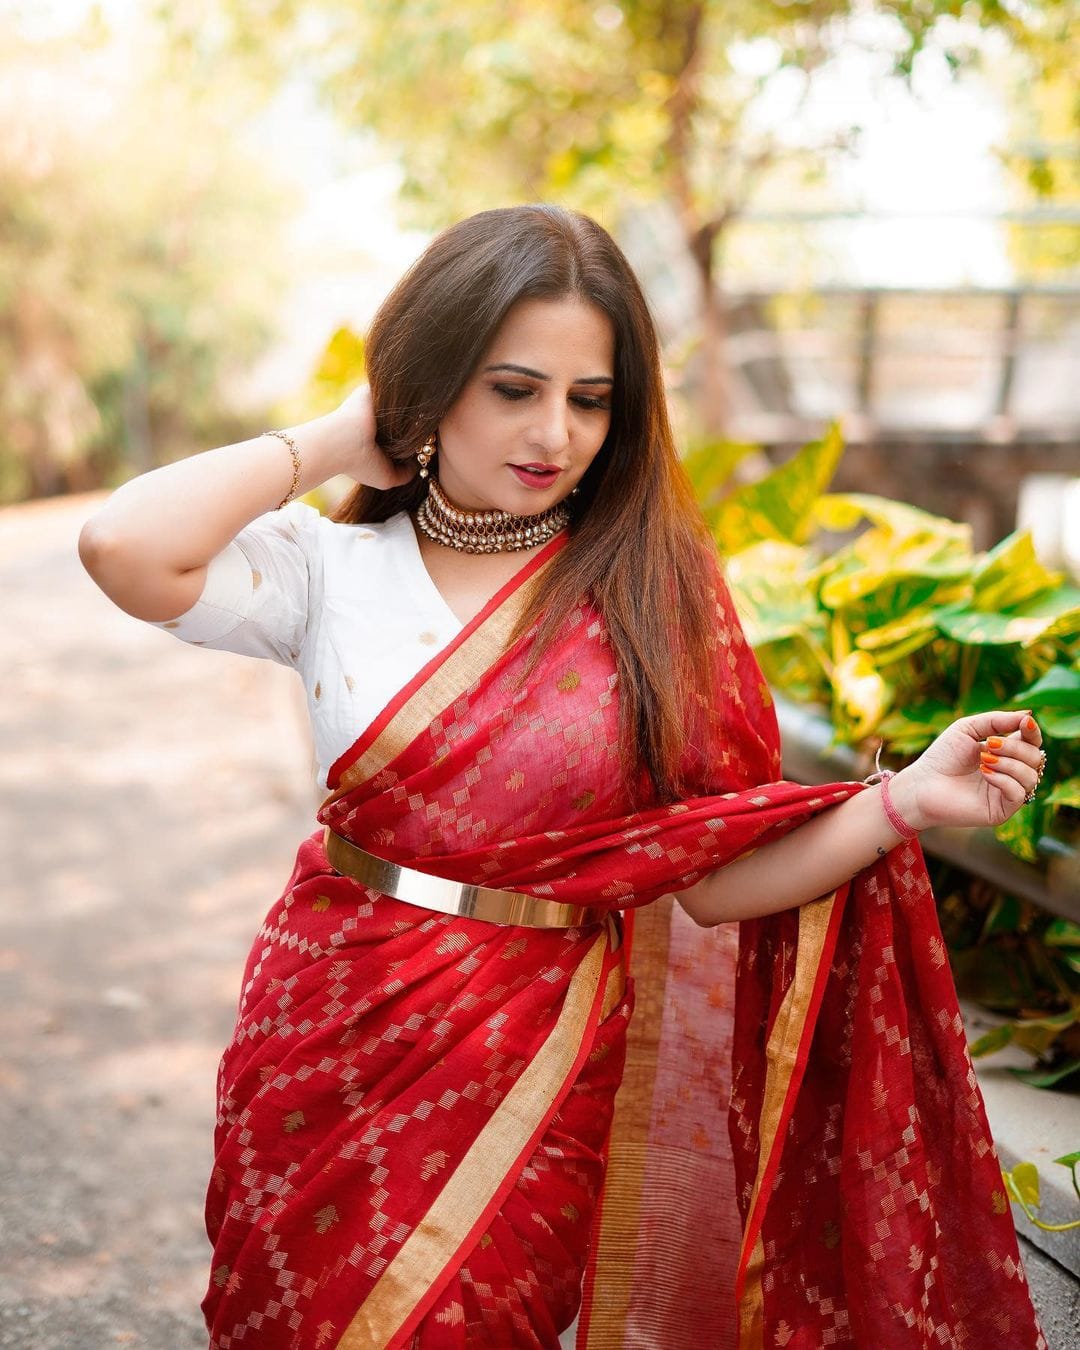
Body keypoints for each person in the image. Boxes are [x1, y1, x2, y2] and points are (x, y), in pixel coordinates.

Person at [78, 204, 1048, 1349]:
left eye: (591, 400)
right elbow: (122, 548)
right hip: (329, 1030)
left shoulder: (653, 599)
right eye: (512, 388)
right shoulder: (329, 570)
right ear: (432, 382)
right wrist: (343, 434)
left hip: (537, 1057)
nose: (556, 432)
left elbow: (711, 878)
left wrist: (904, 803)